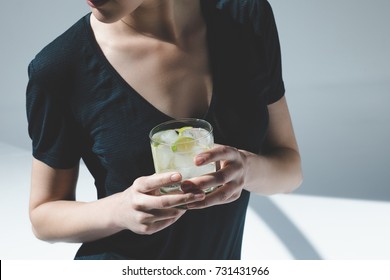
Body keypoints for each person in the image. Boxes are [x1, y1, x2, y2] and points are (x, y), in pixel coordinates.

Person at [26, 0, 302, 260]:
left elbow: (290, 171)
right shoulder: (59, 67)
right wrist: (120, 210)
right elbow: (43, 217)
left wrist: (246, 169)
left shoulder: (246, 16)